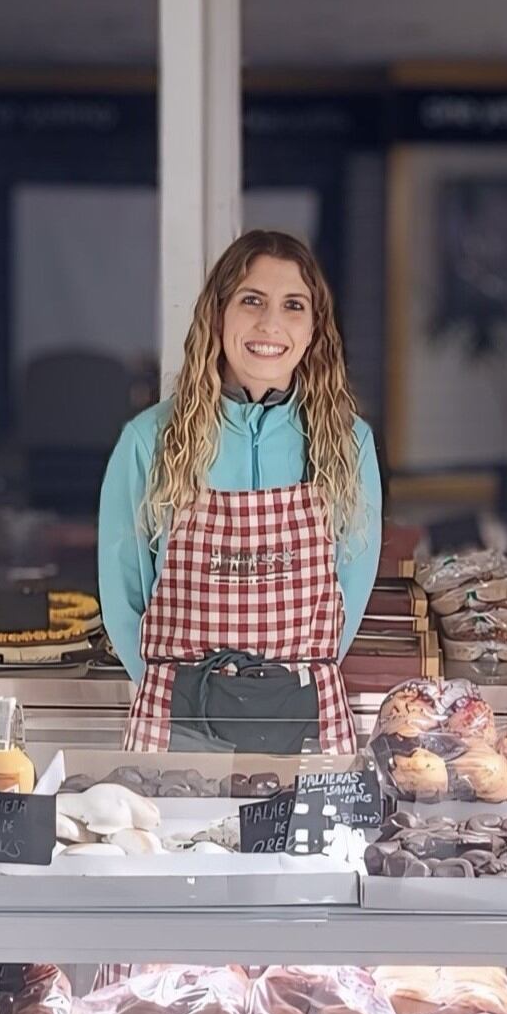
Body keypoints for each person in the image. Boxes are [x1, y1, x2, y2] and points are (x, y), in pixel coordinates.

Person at [96, 229, 382, 752]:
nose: (271, 324)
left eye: (293, 305)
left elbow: (351, 588)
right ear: (218, 314)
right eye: (252, 300)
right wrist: (172, 692)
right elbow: (123, 596)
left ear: (315, 328)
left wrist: (277, 694)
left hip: (302, 714)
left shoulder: (348, 443)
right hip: (177, 718)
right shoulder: (149, 441)